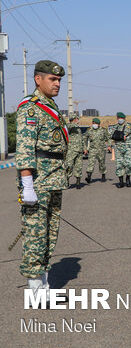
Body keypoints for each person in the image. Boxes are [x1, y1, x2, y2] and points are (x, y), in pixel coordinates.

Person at [15, 60, 69, 306]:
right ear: (38, 79)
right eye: (53, 79)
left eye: (59, 80)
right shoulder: (31, 108)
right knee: (36, 238)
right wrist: (27, 186)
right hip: (38, 182)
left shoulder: (50, 107)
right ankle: (36, 293)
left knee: (49, 236)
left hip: (53, 179)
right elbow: (25, 150)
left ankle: (45, 289)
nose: (57, 84)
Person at [108, 112, 131, 188]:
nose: (120, 119)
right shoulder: (114, 127)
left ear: (124, 118)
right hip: (118, 148)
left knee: (129, 164)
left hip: (128, 148)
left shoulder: (129, 126)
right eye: (118, 118)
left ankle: (128, 179)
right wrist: (109, 146)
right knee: (119, 165)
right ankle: (121, 182)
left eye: (121, 118)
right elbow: (111, 138)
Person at [84, 118, 109, 183]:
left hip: (101, 150)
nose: (94, 124)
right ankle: (89, 176)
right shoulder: (89, 130)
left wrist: (109, 146)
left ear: (99, 124)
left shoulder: (103, 130)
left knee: (102, 163)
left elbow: (108, 138)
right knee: (91, 163)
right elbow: (85, 139)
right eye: (93, 123)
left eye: (95, 123)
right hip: (92, 150)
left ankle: (103, 174)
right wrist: (85, 148)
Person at [65, 113, 84, 189]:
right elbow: (68, 126)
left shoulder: (78, 129)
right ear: (74, 119)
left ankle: (78, 182)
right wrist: (73, 123)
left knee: (79, 167)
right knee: (69, 166)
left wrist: (84, 148)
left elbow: (81, 139)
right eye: (77, 119)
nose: (78, 120)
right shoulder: (69, 126)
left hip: (79, 150)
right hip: (71, 151)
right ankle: (67, 181)